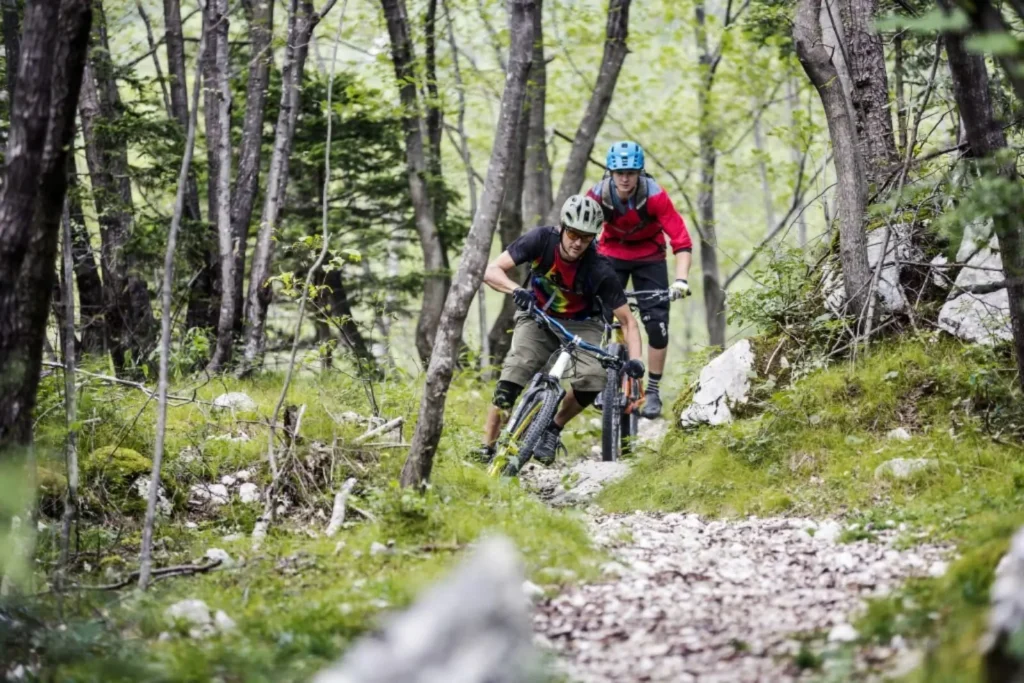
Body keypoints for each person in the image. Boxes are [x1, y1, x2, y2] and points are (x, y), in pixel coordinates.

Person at [479, 194, 645, 466]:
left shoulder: (599, 269)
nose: (578, 242)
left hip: (583, 325)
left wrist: (637, 362)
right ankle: (487, 447)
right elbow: (491, 270)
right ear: (563, 228)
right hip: (538, 316)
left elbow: (628, 321)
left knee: (594, 378)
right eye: (573, 234)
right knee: (514, 373)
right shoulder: (541, 240)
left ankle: (553, 428)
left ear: (594, 238)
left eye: (586, 237)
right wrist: (517, 290)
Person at [587, 141, 693, 419]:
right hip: (612, 255)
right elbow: (579, 232)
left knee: (657, 324)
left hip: (650, 258)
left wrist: (680, 280)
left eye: (631, 172)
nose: (624, 178)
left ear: (640, 172)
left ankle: (653, 391)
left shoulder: (655, 196)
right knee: (598, 315)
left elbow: (681, 241)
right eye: (619, 172)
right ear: (610, 171)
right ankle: (601, 380)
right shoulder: (598, 195)